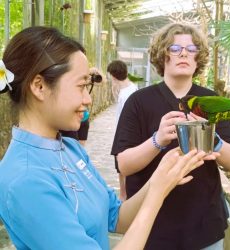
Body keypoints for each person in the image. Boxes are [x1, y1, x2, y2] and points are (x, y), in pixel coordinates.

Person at [0, 26, 217, 250]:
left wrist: (160, 177)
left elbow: (116, 217)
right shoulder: (25, 180)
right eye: (82, 86)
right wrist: (157, 194)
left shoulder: (70, 148)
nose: (88, 99)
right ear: (39, 86)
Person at [111, 23, 230, 250]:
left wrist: (213, 141)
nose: (184, 53)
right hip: (152, 228)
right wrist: (157, 140)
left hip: (205, 228)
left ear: (198, 57)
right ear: (162, 55)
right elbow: (124, 165)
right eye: (175, 48)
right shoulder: (139, 102)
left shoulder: (210, 100)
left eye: (191, 49)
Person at [107, 60, 138, 200]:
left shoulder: (126, 94)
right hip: (127, 132)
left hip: (125, 133)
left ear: (113, 75)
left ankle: (124, 196)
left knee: (122, 167)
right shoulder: (131, 88)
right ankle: (124, 195)